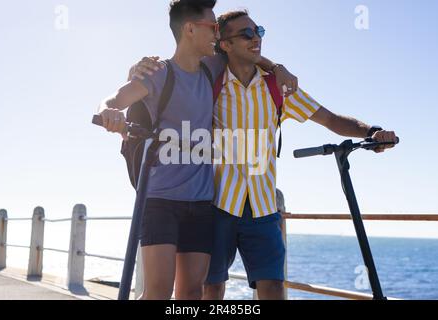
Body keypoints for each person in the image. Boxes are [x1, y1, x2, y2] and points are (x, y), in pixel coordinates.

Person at [132, 9, 398, 300]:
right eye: (246, 34)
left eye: (258, 31)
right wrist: (142, 68)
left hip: (263, 208)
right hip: (217, 204)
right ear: (225, 44)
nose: (256, 38)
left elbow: (331, 119)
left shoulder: (278, 87)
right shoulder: (210, 80)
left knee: (272, 287)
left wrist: (372, 131)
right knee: (212, 288)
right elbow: (179, 70)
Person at [97, 0, 296, 300]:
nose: (218, 34)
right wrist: (109, 113)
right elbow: (113, 99)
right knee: (158, 293)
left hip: (201, 203)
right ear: (189, 29)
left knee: (190, 293)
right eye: (213, 28)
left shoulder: (212, 66)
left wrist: (277, 68)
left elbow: (246, 53)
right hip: (160, 199)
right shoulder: (157, 73)